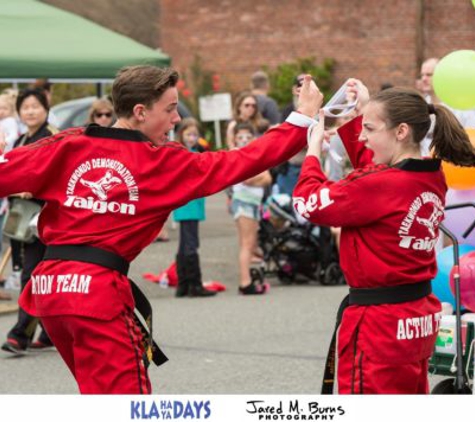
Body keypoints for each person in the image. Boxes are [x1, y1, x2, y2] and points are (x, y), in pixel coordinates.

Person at [0, 66, 322, 394]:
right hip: (95, 294)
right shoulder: (161, 161)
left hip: (51, 290)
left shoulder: (69, 143)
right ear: (140, 112)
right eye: (170, 109)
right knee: (128, 404)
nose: (177, 119)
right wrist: (302, 119)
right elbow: (240, 161)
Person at [293, 79, 475, 394]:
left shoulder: (379, 185)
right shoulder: (431, 175)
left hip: (379, 324)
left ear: (401, 131)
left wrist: (312, 151)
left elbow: (307, 203)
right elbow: (378, 184)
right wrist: (366, 107)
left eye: (370, 128)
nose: (361, 136)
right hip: (415, 315)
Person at [1, 88, 57, 354]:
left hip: (49, 219)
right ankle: (50, 332)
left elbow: (61, 175)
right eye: (25, 107)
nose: (31, 111)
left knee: (33, 275)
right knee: (41, 276)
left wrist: (36, 187)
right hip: (23, 217)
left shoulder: (54, 137)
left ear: (46, 109)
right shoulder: (22, 139)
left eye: (36, 106)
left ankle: (19, 334)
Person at [172, 118, 216, 298]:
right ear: (181, 134)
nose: (192, 138)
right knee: (191, 244)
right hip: (188, 204)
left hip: (189, 204)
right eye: (188, 134)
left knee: (185, 244)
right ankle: (195, 284)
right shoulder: (186, 154)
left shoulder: (191, 152)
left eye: (195, 135)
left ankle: (183, 285)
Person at [231, 122, 272, 295]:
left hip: (254, 202)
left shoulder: (254, 153)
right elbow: (246, 177)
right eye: (240, 137)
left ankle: (247, 277)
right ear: (234, 139)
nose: (244, 140)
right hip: (244, 202)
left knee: (249, 243)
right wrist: (259, 176)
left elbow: (267, 178)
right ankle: (245, 282)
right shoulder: (236, 154)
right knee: (247, 244)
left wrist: (259, 176)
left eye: (248, 137)